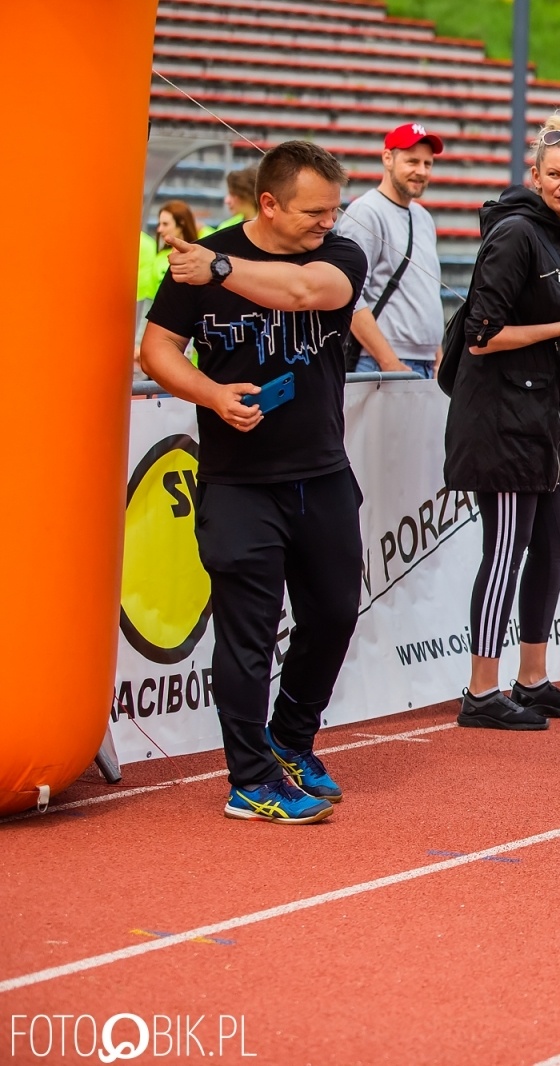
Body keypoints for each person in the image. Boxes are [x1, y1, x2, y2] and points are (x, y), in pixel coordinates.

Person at [138, 140, 368, 824]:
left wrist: (218, 266)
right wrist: (210, 395)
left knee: (333, 615)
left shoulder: (337, 253)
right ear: (268, 204)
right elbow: (155, 350)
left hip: (323, 473)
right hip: (239, 483)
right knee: (249, 631)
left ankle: (291, 742)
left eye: (333, 209)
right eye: (312, 212)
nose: (328, 222)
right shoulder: (200, 261)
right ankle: (249, 777)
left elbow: (304, 291)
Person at [445, 110, 560, 730]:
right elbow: (482, 335)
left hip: (540, 414)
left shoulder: (559, 233)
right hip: (501, 418)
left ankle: (533, 677)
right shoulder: (516, 233)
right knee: (506, 552)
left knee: (552, 542)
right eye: (555, 173)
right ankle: (480, 693)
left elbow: (552, 316)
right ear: (535, 173)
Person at [338, 122, 447, 377]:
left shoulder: (422, 216)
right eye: (412, 162)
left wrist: (437, 351)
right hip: (379, 361)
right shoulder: (366, 212)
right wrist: (388, 361)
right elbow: (349, 296)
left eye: (427, 164)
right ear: (388, 158)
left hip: (425, 361)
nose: (421, 171)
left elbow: (426, 289)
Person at [215, 166, 259, 231]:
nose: (226, 201)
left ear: (247, 195)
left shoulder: (269, 229)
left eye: (233, 194)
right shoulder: (227, 227)